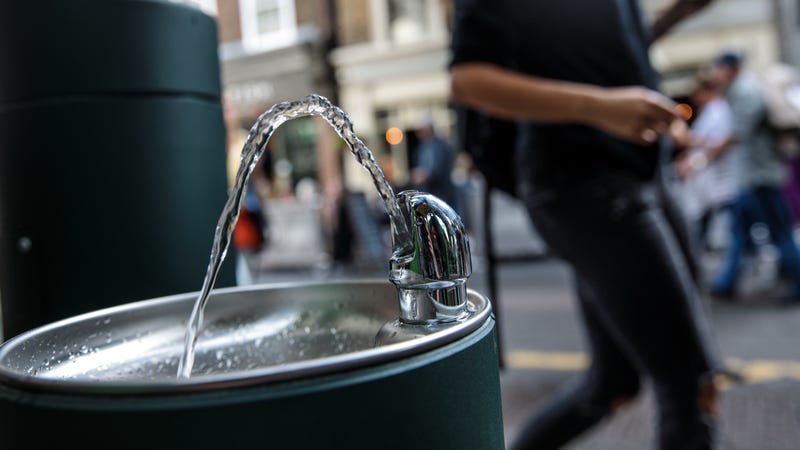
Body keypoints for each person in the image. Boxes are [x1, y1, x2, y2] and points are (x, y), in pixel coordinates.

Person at [449, 1, 719, 449]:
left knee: (615, 382)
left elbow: (599, 48)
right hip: (582, 181)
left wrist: (676, 14)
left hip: (644, 172)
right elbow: (467, 79)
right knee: (690, 383)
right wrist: (598, 107)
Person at [706, 51, 800, 302]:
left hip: (761, 176)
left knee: (780, 231)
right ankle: (727, 282)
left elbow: (738, 132)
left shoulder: (745, 91)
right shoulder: (738, 90)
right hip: (749, 177)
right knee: (739, 231)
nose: (715, 73)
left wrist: (707, 151)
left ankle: (797, 281)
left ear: (729, 68)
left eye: (717, 68)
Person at [674, 72, 737, 253]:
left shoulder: (718, 112)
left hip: (719, 180)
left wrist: (694, 161)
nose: (695, 98)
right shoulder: (710, 112)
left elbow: (717, 145)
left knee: (726, 230)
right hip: (708, 182)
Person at [410, 118, 457, 209]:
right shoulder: (422, 147)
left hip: (443, 193)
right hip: (431, 194)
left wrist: (422, 176)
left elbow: (437, 169)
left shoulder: (438, 145)